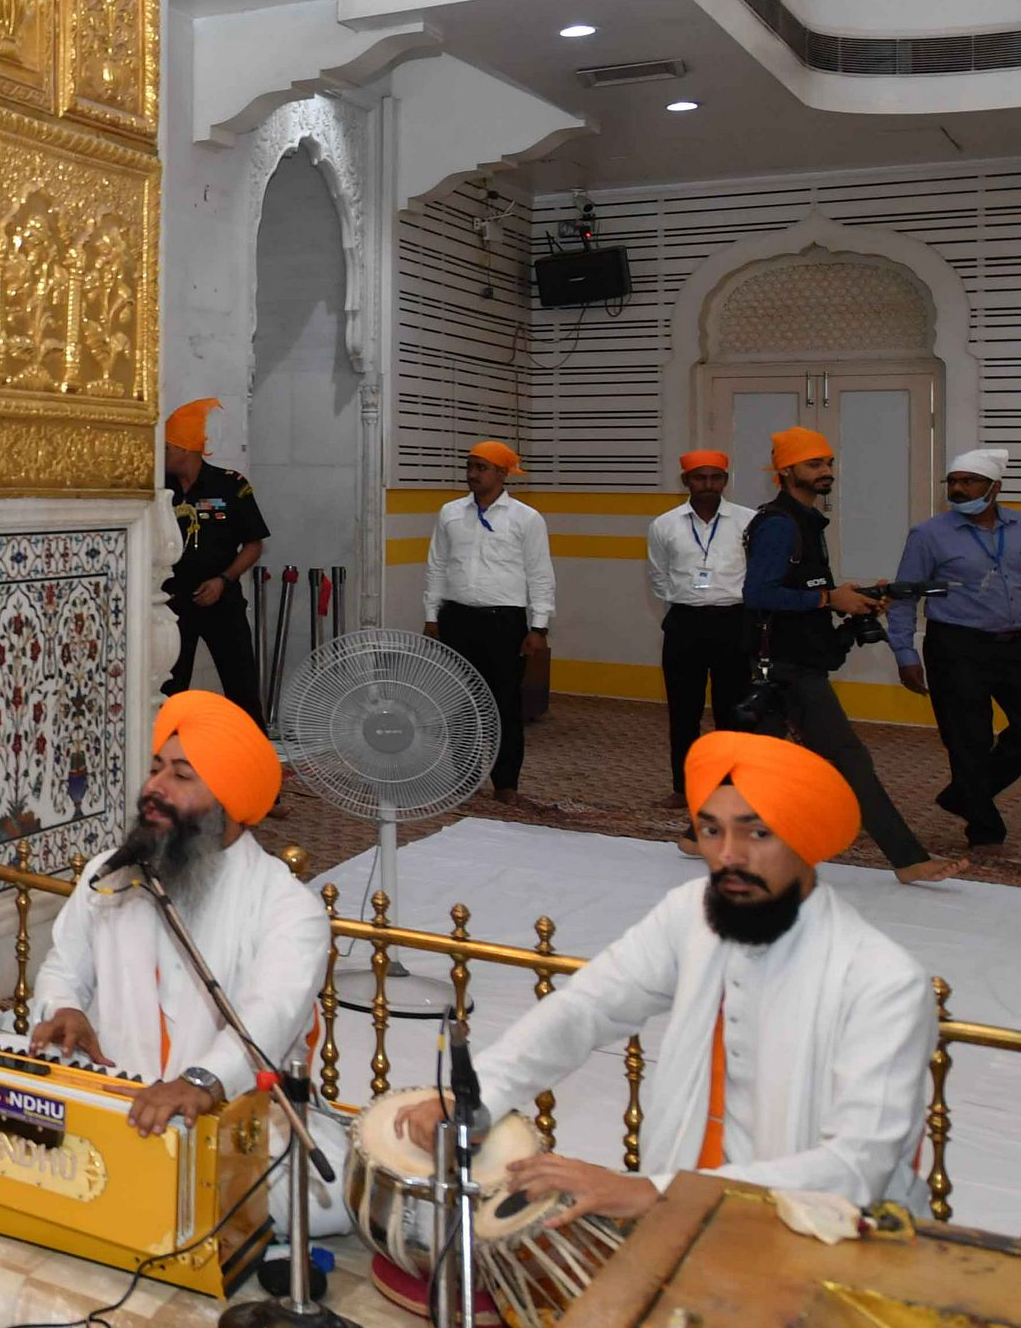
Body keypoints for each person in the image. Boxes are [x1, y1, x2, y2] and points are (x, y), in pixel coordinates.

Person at [409, 732, 938, 1215]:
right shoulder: (693, 912)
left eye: (758, 832)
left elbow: (857, 1166)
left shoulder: (881, 982)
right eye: (711, 830)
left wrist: (652, 1193)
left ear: (806, 840)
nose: (728, 855)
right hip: (678, 1212)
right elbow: (587, 1006)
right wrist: (479, 1094)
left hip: (826, 1239)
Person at [26, 692, 330, 1137]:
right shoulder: (109, 875)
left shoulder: (287, 907)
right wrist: (64, 1007)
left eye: (182, 776)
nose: (155, 787)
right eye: (155, 769)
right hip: (112, 1107)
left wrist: (202, 1081)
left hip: (240, 1130)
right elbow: (63, 968)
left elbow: (270, 1018)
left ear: (229, 803)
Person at [744, 428, 965, 885]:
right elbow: (758, 595)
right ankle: (908, 859)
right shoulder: (780, 525)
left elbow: (802, 589)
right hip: (786, 666)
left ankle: (696, 836)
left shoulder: (807, 521)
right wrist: (830, 599)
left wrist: (852, 597)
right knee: (849, 758)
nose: (826, 471)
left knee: (756, 760)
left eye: (828, 462)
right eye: (814, 464)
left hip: (798, 658)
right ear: (785, 472)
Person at [891, 447, 1021, 850]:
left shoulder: (1018, 527)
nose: (958, 489)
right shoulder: (929, 535)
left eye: (969, 481)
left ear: (995, 487)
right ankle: (984, 829)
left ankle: (964, 794)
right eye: (953, 481)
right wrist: (905, 653)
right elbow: (904, 596)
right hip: (956, 646)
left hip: (1015, 644)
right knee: (968, 739)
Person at [422, 439, 553, 796]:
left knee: (504, 703)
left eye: (481, 468)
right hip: (456, 619)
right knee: (459, 703)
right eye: (469, 466)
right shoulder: (450, 513)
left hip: (504, 623)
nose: (472, 474)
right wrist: (432, 616)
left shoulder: (526, 518)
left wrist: (539, 626)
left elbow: (540, 574)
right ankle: (464, 778)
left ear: (501, 474)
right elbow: (437, 566)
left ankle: (506, 784)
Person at [647, 448, 758, 805]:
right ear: (686, 481)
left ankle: (731, 787)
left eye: (716, 478)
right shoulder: (664, 525)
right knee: (683, 712)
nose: (708, 485)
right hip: (685, 624)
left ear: (725, 480)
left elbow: (757, 574)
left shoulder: (749, 521)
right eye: (700, 477)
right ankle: (684, 788)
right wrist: (689, 599)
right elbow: (658, 576)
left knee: (733, 712)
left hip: (734, 622)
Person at [161, 397, 270, 704]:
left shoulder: (229, 485)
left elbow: (254, 544)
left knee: (242, 689)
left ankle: (249, 736)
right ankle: (171, 738)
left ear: (184, 449)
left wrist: (223, 580)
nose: (160, 455)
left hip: (221, 600)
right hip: (172, 604)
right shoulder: (160, 488)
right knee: (169, 691)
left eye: (166, 448)